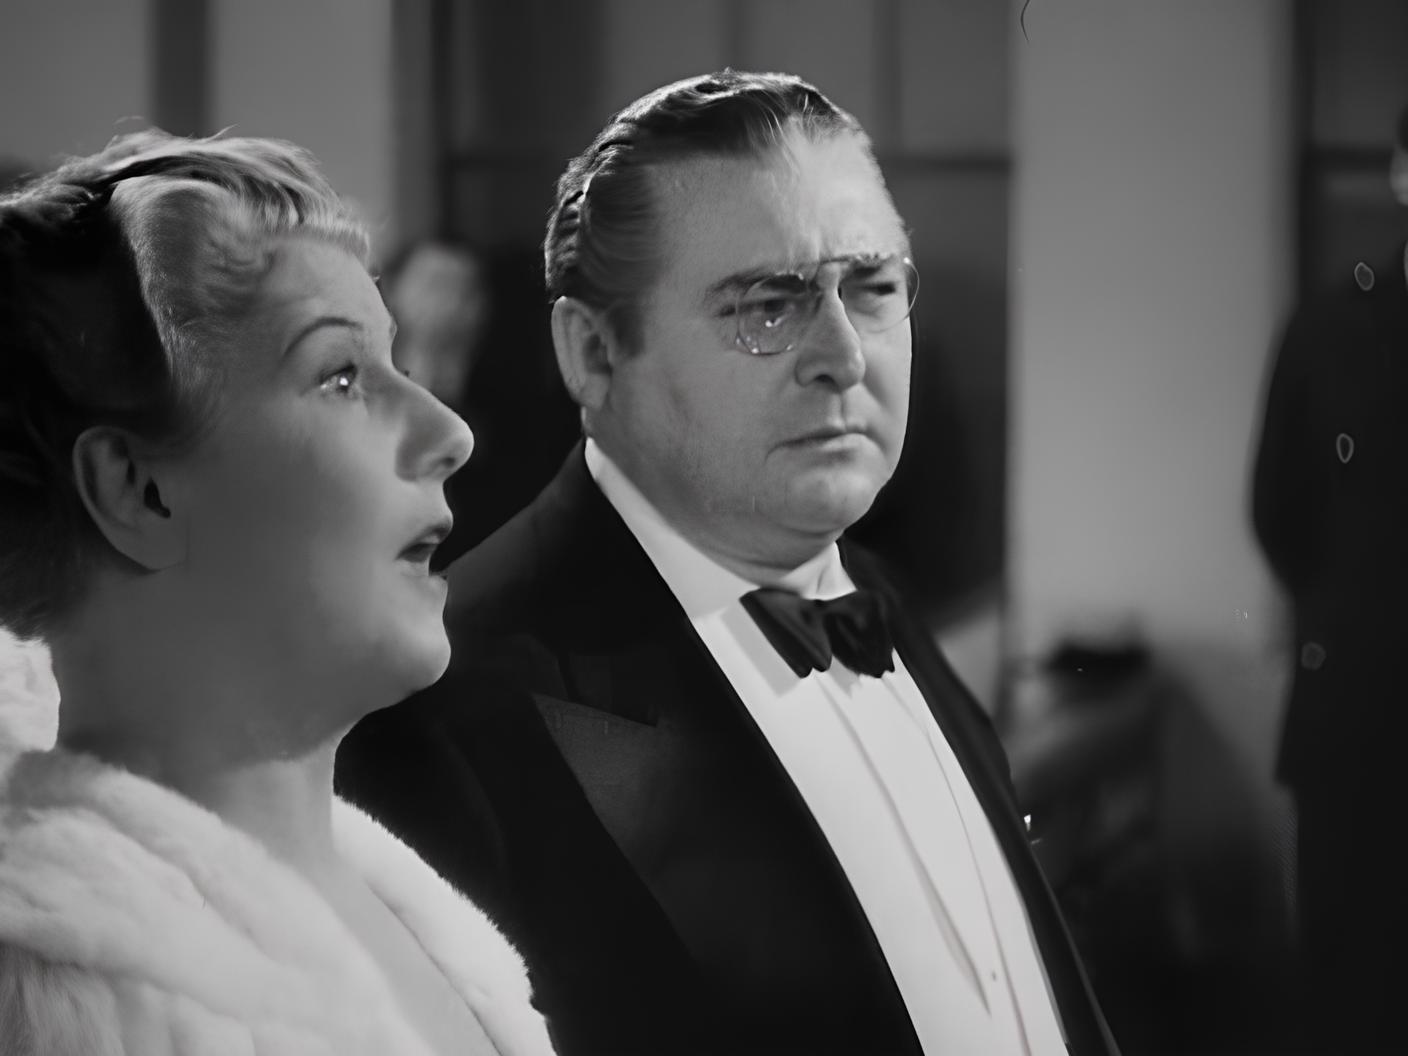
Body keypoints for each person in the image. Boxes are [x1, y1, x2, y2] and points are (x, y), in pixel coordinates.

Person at [338, 70, 1117, 1055]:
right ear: (593, 354)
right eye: (767, 305)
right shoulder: (440, 717)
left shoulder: (875, 595)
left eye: (873, 289)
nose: (845, 355)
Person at [0, 130, 555, 1055]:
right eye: (340, 376)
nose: (448, 431)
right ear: (137, 490)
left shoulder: (407, 911)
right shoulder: (80, 1011)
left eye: (399, 365)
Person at [1251, 104, 1408, 1055]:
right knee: (1353, 989)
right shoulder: (1331, 331)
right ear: (1402, 174)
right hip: (1358, 720)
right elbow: (1279, 511)